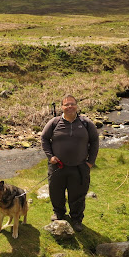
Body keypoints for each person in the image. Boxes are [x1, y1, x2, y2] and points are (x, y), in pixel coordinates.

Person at [41, 94, 99, 232]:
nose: (69, 107)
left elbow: (95, 141)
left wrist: (90, 162)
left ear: (77, 106)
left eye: (72, 104)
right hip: (57, 167)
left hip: (80, 167)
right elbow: (44, 138)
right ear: (62, 107)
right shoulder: (54, 122)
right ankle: (59, 214)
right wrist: (50, 157)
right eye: (66, 105)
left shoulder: (86, 123)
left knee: (78, 195)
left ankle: (76, 219)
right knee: (56, 192)